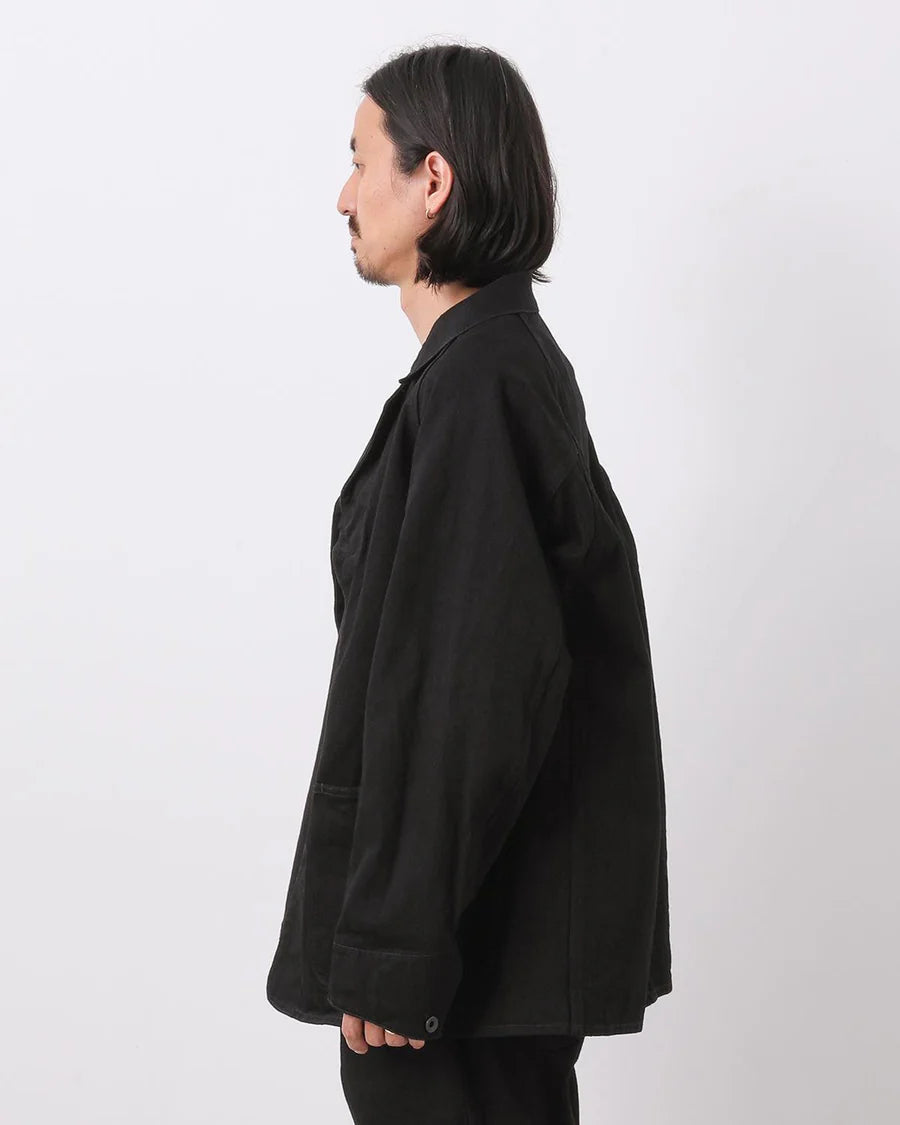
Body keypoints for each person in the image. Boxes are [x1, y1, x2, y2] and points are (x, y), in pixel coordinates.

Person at [266, 41, 672, 1124]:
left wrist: (395, 947)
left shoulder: (482, 385)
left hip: (459, 974)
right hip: (475, 961)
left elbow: (466, 690)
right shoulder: (487, 371)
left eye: (363, 162)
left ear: (432, 180)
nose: (344, 195)